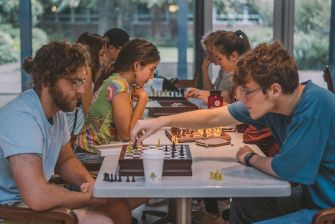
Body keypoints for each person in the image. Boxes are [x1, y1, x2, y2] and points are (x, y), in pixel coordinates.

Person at [131, 41, 335, 223]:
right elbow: (215, 116)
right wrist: (160, 122)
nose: (242, 99)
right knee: (246, 202)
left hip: (326, 209)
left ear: (274, 89)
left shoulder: (314, 108)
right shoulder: (273, 104)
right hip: (310, 197)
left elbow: (284, 169)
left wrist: (249, 157)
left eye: (247, 92)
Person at [0, 41, 144, 224]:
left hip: (30, 201)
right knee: (105, 219)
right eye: (74, 82)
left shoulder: (56, 110)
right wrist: (88, 198)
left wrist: (88, 183)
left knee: (118, 207)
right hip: (12, 211)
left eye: (83, 81)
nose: (82, 90)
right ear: (46, 80)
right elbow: (37, 196)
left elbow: (66, 160)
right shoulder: (22, 119)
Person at [77, 39, 160, 153]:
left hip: (95, 150)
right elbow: (127, 134)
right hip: (90, 154)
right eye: (151, 70)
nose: (152, 77)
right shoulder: (119, 87)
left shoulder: (118, 80)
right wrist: (143, 99)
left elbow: (135, 127)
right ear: (137, 65)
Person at [185, 30, 250, 104]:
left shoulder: (246, 80)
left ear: (233, 56)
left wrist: (206, 96)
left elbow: (236, 110)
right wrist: (201, 93)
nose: (218, 63)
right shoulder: (239, 77)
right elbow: (227, 96)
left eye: (219, 58)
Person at [67, 32, 107, 140]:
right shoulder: (86, 71)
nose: (105, 59)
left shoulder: (78, 68)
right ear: (92, 54)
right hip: (74, 134)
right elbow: (89, 111)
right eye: (102, 54)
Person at [94, 28, 130, 93]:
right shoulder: (98, 69)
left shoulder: (111, 68)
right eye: (124, 49)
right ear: (111, 48)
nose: (126, 53)